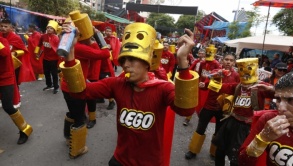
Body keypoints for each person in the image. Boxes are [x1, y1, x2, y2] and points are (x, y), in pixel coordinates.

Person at [60, 22, 198, 165]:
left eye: (132, 59)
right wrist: (70, 54)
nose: (125, 65)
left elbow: (185, 109)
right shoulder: (117, 84)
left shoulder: (163, 88)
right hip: (120, 159)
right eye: (124, 60)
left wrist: (182, 61)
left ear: (146, 63)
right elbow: (79, 93)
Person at [60, 10, 111, 158]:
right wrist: (97, 35)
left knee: (72, 112)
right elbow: (104, 54)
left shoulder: (75, 45)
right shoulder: (80, 47)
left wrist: (90, 39)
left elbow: (95, 52)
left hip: (66, 85)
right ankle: (77, 149)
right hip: (75, 88)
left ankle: (68, 137)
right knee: (80, 118)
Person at [212, 58, 275, 166]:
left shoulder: (261, 86)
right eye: (241, 69)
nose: (245, 71)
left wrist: (270, 89)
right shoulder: (238, 86)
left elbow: (280, 95)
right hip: (231, 122)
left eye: (249, 68)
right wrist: (215, 77)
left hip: (247, 127)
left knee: (236, 159)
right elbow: (220, 87)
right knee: (219, 152)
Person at [185, 54, 240, 159]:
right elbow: (206, 85)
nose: (228, 62)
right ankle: (193, 150)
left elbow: (236, 90)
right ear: (222, 60)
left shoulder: (236, 76)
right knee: (200, 128)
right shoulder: (215, 72)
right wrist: (203, 85)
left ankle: (214, 152)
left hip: (223, 108)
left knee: (218, 132)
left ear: (234, 63)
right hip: (209, 105)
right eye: (226, 59)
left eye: (231, 60)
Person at [239, 70, 293, 166]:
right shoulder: (269, 120)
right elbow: (243, 161)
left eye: (291, 100)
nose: (281, 108)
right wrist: (262, 139)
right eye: (278, 99)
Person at [0, 36, 32, 144]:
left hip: (5, 78)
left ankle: (25, 129)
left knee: (8, 107)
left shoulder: (2, 40)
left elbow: (4, 53)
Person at [0, 18, 36, 107]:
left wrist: (15, 53)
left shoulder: (15, 37)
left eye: (5, 26)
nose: (3, 28)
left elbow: (24, 50)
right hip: (2, 65)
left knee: (13, 83)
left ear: (11, 27)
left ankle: (16, 100)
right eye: (1, 26)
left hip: (14, 64)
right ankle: (3, 99)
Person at [35, 20, 60, 94]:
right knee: (46, 73)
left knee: (54, 74)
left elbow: (59, 48)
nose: (49, 29)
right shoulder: (43, 36)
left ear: (54, 30)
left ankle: (56, 87)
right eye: (48, 28)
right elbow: (39, 44)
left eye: (51, 28)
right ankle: (49, 85)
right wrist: (36, 52)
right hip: (45, 58)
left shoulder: (56, 38)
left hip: (54, 59)